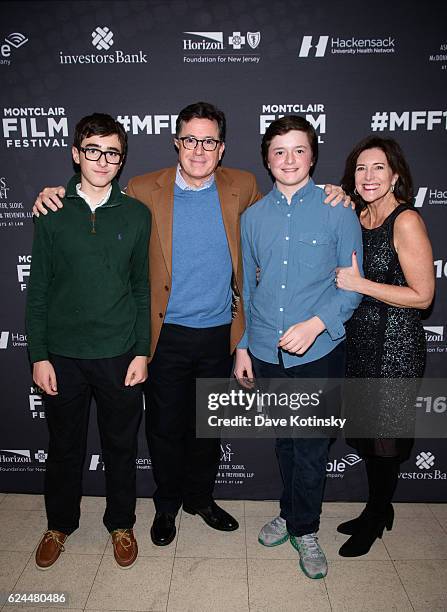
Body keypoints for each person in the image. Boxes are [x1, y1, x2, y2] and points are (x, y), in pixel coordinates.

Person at [32, 101, 348, 548]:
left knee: (207, 426)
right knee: (163, 427)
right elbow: (94, 196)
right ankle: (166, 504)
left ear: (221, 148)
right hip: (164, 333)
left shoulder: (243, 185)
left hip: (221, 330)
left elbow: (289, 203)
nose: (199, 150)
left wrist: (336, 193)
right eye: (190, 140)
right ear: (176, 142)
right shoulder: (143, 188)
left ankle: (200, 498)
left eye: (209, 141)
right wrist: (54, 193)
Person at [234, 115, 363, 579]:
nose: (289, 160)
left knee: (311, 446)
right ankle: (289, 514)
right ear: (267, 159)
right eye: (279, 151)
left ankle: (305, 528)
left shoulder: (338, 209)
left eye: (299, 150)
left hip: (320, 351)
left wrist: (315, 324)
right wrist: (245, 345)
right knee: (286, 442)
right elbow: (248, 290)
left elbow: (352, 288)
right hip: (267, 351)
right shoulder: (252, 217)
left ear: (313, 155)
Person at [26, 113, 151, 570]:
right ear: (77, 154)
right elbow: (38, 288)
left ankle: (121, 523)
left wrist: (142, 349)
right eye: (93, 150)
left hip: (119, 354)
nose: (102, 160)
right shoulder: (53, 211)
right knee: (64, 447)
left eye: (112, 152)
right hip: (63, 355)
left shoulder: (137, 214)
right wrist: (38, 355)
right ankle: (59, 524)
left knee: (121, 447)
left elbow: (141, 286)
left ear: (121, 161)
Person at [334, 136, 434, 557]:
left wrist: (360, 284)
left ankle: (376, 519)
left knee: (385, 441)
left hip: (394, 349)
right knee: (368, 437)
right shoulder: (357, 214)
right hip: (359, 344)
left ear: (395, 174)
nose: (369, 176)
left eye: (378, 167)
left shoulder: (405, 220)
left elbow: (423, 295)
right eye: (361, 169)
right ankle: (378, 508)